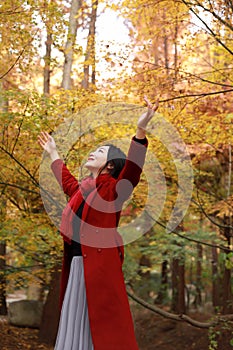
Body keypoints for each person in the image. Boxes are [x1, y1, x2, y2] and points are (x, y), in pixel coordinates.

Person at [38, 96, 159, 350]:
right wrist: (53, 153)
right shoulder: (84, 189)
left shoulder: (114, 190)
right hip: (77, 264)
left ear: (110, 165)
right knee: (75, 323)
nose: (93, 152)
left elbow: (133, 171)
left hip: (98, 268)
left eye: (100, 152)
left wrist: (141, 129)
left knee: (100, 328)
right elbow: (67, 182)